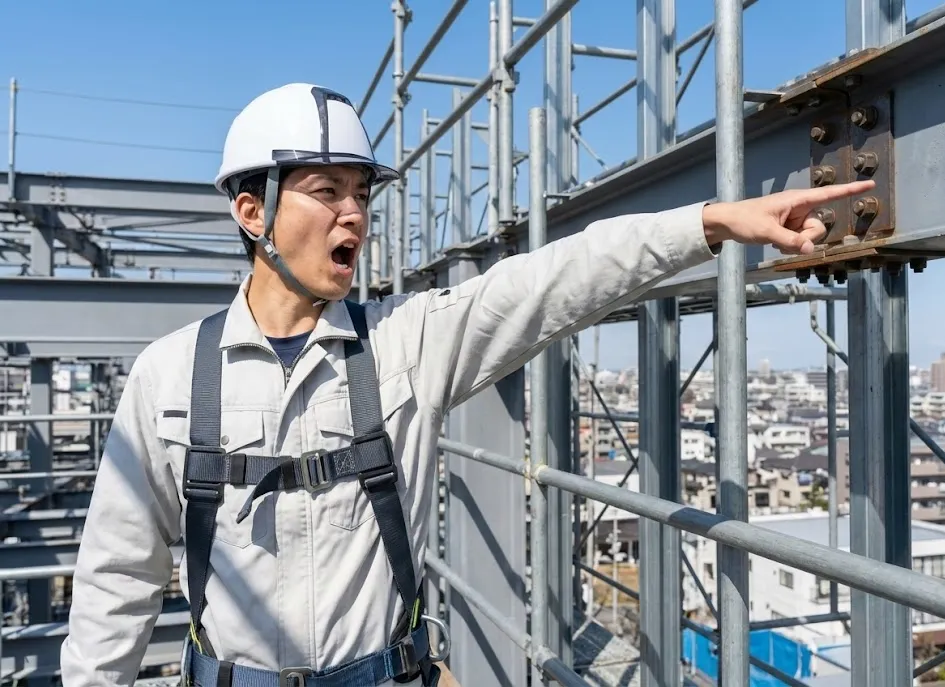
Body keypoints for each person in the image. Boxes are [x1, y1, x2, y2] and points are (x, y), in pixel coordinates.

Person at [59, 82, 873, 687]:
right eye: (324, 192)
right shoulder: (169, 375)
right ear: (251, 211)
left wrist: (707, 225)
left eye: (361, 193)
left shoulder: (404, 344)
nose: (354, 216)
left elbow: (556, 278)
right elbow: (115, 582)